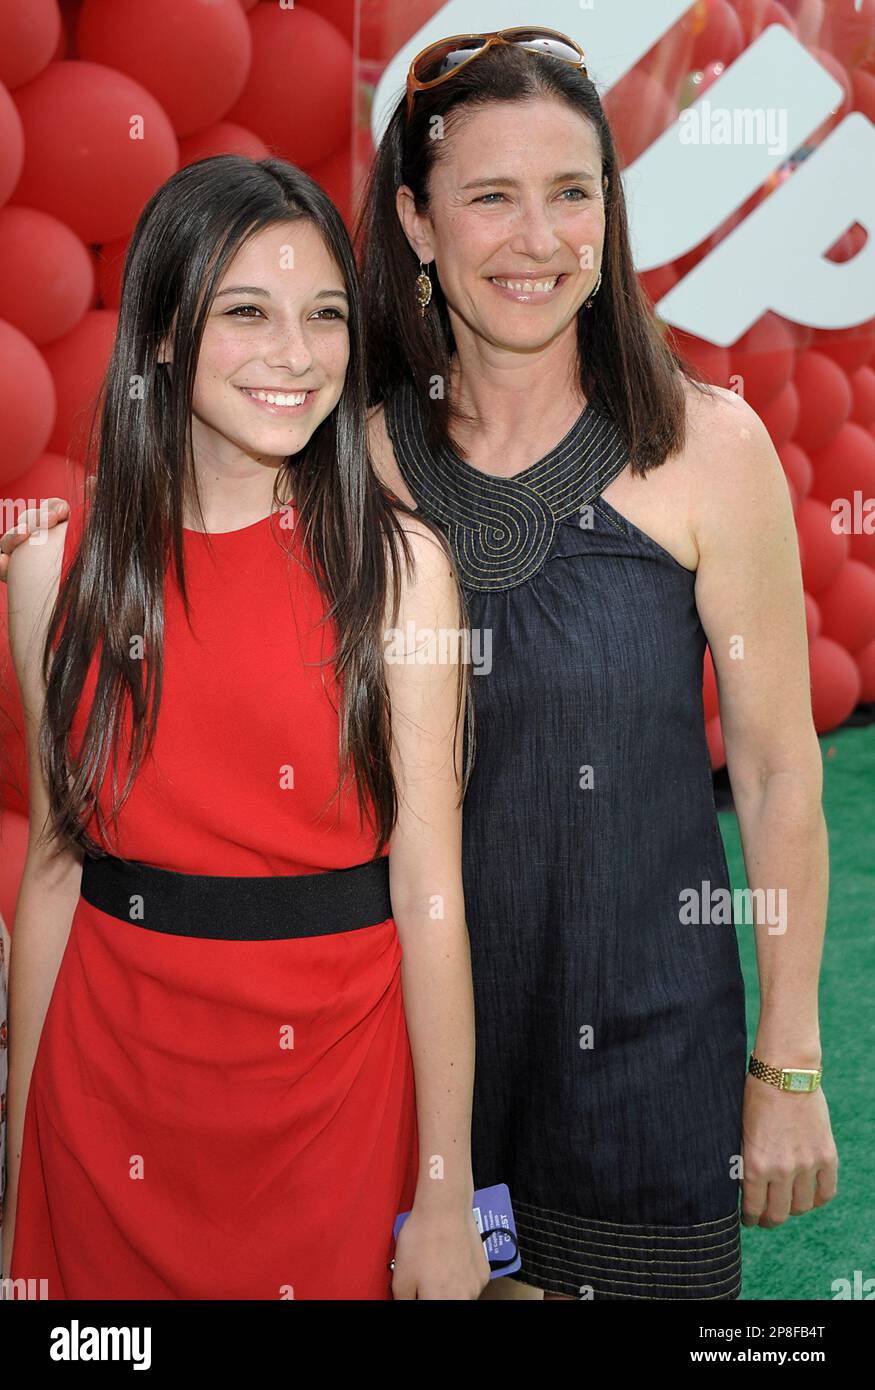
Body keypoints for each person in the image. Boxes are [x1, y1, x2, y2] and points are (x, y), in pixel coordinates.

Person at [2, 29, 840, 1303]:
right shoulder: (355, 466)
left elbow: (780, 772)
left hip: (640, 1046)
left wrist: (789, 1060)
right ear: (417, 220)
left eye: (571, 193)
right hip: (400, 1052)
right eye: (489, 195)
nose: (535, 236)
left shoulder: (705, 447)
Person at [0, 155, 489, 1300]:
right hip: (103, 1101)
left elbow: (429, 891)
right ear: (163, 333)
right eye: (247, 313)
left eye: (325, 316)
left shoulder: (400, 573)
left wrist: (445, 1189)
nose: (297, 354)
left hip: (332, 1104)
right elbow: (54, 873)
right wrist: (20, 1166)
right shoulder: (47, 574)